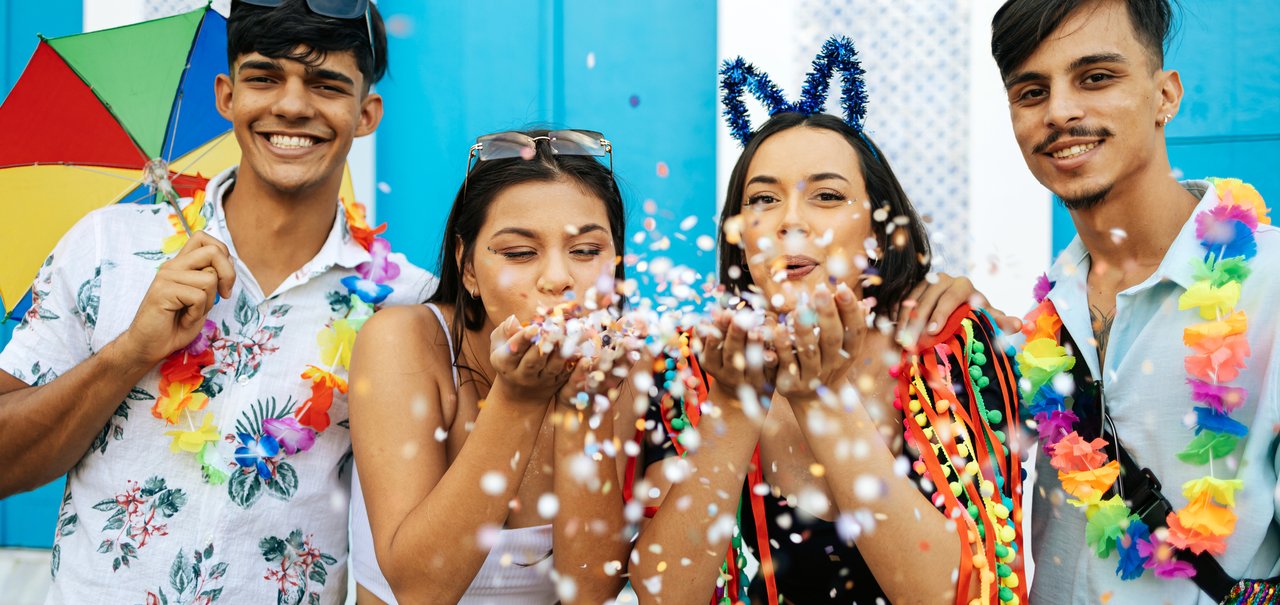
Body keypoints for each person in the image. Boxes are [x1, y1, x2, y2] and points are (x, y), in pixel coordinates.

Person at [0, 1, 434, 602]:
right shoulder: (107, 245)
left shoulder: (405, 307)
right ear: (226, 95)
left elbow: (403, 552)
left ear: (366, 114)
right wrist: (130, 352)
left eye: (326, 84)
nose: (291, 105)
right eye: (264, 77)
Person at [630, 43, 1029, 602]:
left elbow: (972, 594)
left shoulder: (946, 344)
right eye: (763, 198)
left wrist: (819, 396)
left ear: (878, 226)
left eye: (826, 195)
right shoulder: (689, 368)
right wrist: (735, 404)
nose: (791, 221)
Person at [991, 1, 1280, 603]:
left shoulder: (1269, 285)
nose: (1061, 112)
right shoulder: (1041, 320)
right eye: (1031, 92)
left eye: (1096, 77)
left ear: (1165, 96)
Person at [348, 129, 636, 604]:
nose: (558, 279)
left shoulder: (621, 366)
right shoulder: (405, 341)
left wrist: (584, 409)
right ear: (467, 268)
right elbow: (420, 590)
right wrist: (517, 398)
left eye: (586, 251)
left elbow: (590, 592)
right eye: (520, 253)